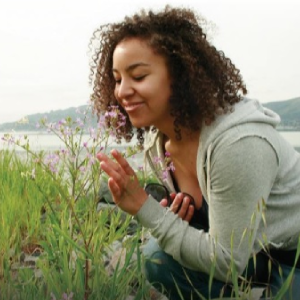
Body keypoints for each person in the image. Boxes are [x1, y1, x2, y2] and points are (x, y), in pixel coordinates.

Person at [91, 6, 300, 300]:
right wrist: (180, 222)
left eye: (137, 76)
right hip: (252, 257)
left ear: (179, 75)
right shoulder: (158, 142)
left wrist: (144, 208)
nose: (122, 91)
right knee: (156, 258)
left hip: (292, 258)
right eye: (117, 79)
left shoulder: (237, 143)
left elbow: (227, 261)